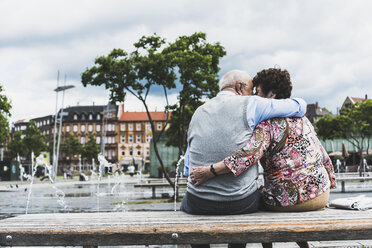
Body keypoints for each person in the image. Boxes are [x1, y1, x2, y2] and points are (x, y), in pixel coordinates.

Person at [190, 68, 337, 248]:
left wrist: (210, 171)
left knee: (256, 199)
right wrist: (330, 180)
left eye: (257, 92)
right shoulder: (303, 119)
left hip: (292, 200)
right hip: (321, 194)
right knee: (267, 193)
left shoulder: (267, 125)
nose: (254, 97)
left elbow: (247, 156)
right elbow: (322, 153)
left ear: (271, 94)